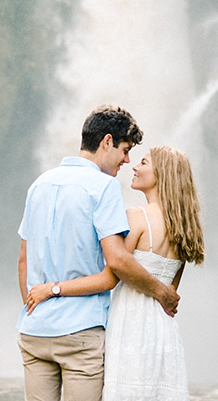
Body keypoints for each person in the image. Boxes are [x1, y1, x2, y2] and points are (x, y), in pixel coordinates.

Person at [17, 105, 181, 401]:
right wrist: (162, 291)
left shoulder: (38, 184)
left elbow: (23, 259)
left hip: (34, 330)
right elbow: (117, 263)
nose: (127, 160)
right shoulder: (104, 187)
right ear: (107, 142)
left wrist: (35, 305)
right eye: (125, 149)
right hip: (80, 332)